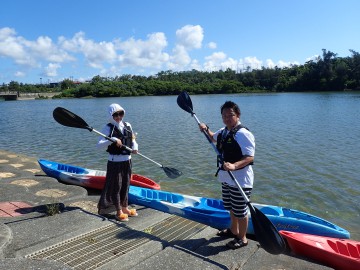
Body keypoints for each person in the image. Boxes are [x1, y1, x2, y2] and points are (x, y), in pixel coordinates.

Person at [199, 101, 255, 249]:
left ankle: (242, 239)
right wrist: (206, 129)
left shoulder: (243, 133)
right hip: (227, 179)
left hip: (240, 180)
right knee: (231, 208)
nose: (227, 118)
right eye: (224, 115)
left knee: (241, 211)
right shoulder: (224, 131)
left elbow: (250, 157)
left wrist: (234, 165)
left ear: (237, 115)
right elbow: (212, 138)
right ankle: (233, 231)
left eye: (230, 115)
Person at [97, 103, 139, 222]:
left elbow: (132, 139)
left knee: (126, 184)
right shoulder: (108, 128)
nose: (119, 116)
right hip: (115, 161)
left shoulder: (127, 125)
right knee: (117, 186)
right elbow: (98, 146)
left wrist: (135, 146)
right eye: (115, 114)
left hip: (127, 160)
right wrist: (112, 140)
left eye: (121, 114)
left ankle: (125, 208)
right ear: (111, 115)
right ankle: (118, 211)